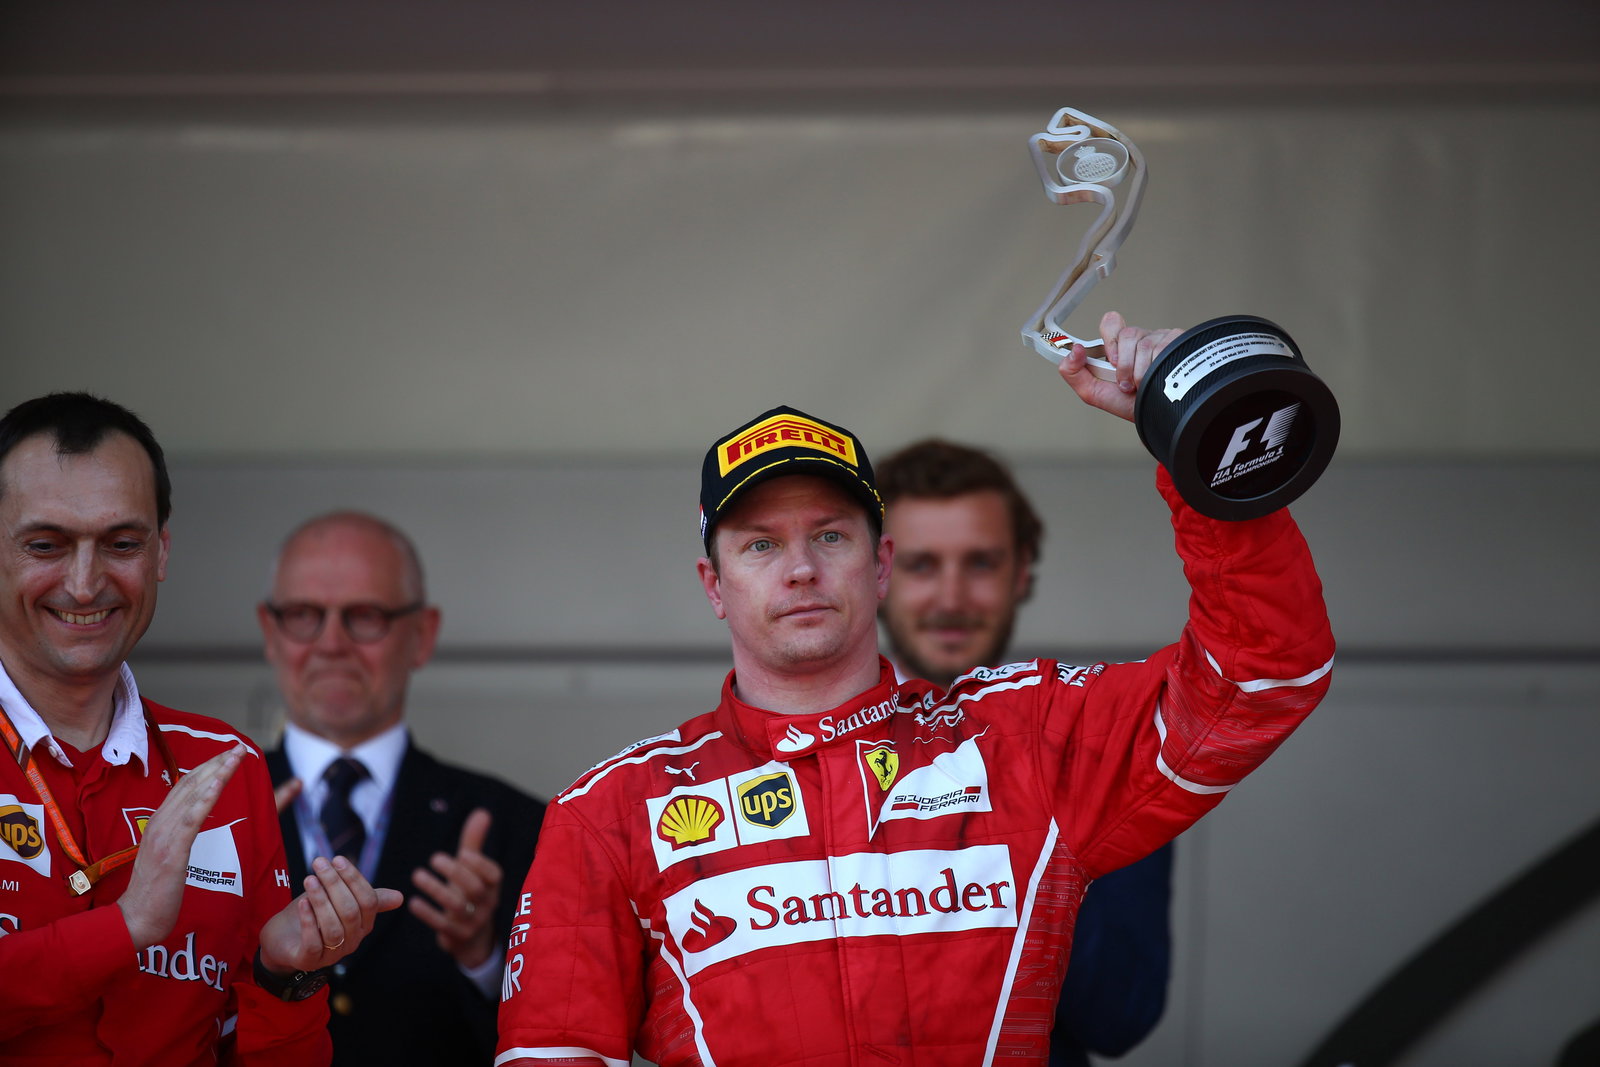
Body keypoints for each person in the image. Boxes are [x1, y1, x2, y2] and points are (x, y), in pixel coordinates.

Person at [497, 312, 1335, 1066]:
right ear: (714, 584)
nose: (799, 568)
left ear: (881, 563)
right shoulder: (607, 812)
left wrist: (1206, 435)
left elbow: (1261, 676)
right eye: (759, 545)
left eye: (830, 534)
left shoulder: (1020, 738)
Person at [0, 392, 402, 1066]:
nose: (84, 581)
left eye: (121, 543)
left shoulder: (224, 766)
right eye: (47, 544)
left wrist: (286, 976)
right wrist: (125, 928)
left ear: (160, 551)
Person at [876, 438, 1173, 1067]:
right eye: (922, 565)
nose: (952, 598)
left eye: (980, 563)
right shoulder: (789, 758)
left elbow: (1121, 1014)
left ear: (1023, 570)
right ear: (874, 574)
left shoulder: (1098, 747)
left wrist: (1023, 806)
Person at [259, 511, 545, 1066]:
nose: (332, 643)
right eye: (303, 616)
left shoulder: (520, 826)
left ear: (423, 635)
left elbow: (555, 1045)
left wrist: (484, 960)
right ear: (270, 633)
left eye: (364, 616)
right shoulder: (204, 817)